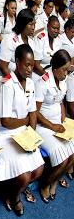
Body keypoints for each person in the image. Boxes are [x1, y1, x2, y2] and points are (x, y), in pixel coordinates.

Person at [0, 44, 44, 216]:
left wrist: (33, 137)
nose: (30, 69)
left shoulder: (30, 83)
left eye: (32, 65)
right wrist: (26, 121)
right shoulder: (7, 84)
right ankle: (15, 198)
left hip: (23, 133)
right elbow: (6, 121)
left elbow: (33, 113)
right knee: (24, 175)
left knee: (38, 170)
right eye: (26, 65)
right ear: (16, 62)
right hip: (6, 134)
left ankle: (13, 191)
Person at [34, 49, 74, 202]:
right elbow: (35, 113)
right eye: (64, 70)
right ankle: (45, 184)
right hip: (43, 127)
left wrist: (63, 118)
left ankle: (55, 181)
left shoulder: (62, 80)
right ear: (55, 68)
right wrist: (52, 125)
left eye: (68, 69)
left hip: (58, 124)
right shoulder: (43, 82)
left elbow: (60, 102)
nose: (66, 73)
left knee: (71, 153)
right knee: (62, 159)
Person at [0, 9, 36, 76]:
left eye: (34, 24)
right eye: (30, 24)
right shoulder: (9, 39)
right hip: (8, 77)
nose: (33, 28)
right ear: (23, 24)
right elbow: (3, 67)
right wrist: (17, 82)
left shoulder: (31, 42)